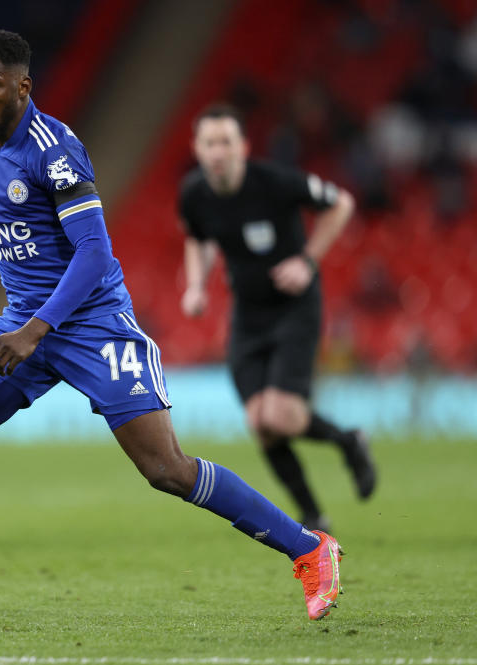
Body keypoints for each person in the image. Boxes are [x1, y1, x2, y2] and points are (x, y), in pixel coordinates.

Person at [0, 30, 343, 621]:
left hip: (92, 324)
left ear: (23, 87)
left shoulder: (55, 150)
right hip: (20, 322)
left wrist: (37, 331)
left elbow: (94, 253)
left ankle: (310, 549)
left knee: (165, 470)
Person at [178, 104, 377, 533]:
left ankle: (349, 442)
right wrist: (195, 286)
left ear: (243, 147)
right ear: (197, 148)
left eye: (226, 142)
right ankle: (313, 513)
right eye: (209, 143)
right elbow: (197, 239)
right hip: (247, 316)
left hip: (294, 310)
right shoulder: (194, 194)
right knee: (260, 424)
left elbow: (341, 203)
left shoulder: (275, 182)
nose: (218, 151)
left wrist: (307, 259)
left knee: (281, 417)